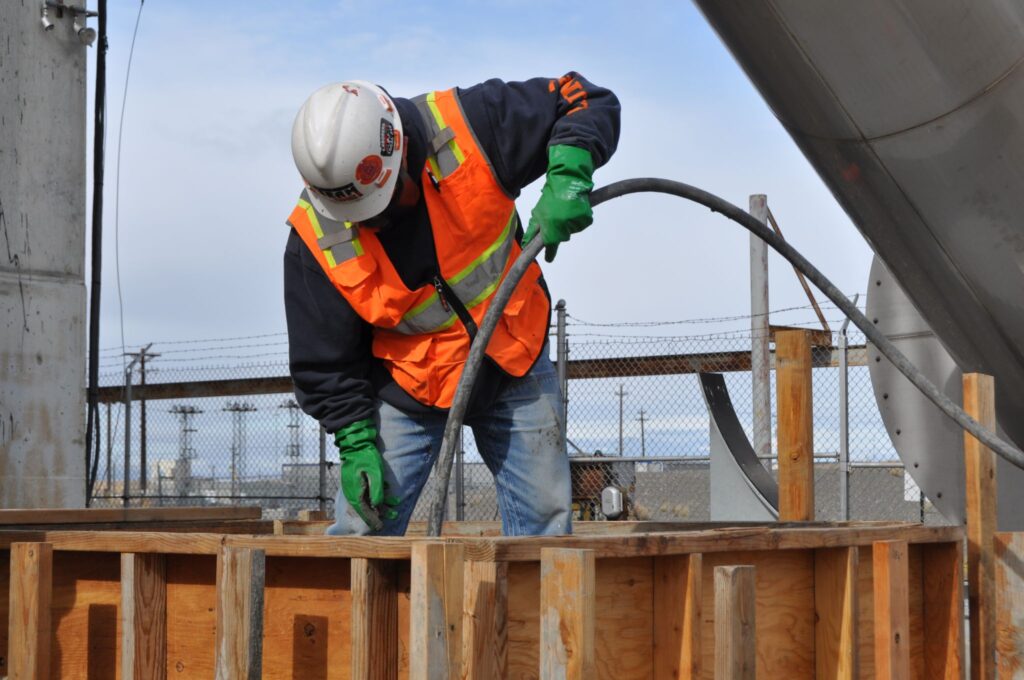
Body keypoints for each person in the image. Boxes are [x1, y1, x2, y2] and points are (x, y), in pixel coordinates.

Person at [284, 74, 620, 536]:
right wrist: (356, 442)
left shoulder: (471, 128)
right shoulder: (316, 239)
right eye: (360, 216)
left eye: (380, 208)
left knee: (545, 531)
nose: (374, 224)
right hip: (410, 385)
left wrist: (570, 173)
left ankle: (540, 610)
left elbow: (581, 98)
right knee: (360, 530)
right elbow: (325, 359)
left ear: (400, 154)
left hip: (512, 356)